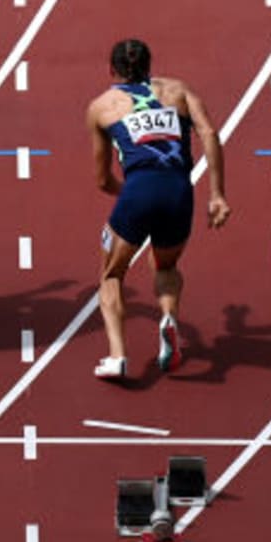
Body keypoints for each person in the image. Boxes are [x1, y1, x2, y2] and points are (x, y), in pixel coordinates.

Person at [87, 39, 229, 379]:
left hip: (138, 190)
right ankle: (168, 319)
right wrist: (217, 194)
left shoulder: (102, 107)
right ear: (151, 65)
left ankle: (118, 356)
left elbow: (103, 180)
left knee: (111, 275)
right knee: (166, 266)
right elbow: (209, 132)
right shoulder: (179, 90)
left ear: (112, 70)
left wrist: (131, 197)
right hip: (180, 192)